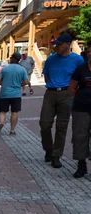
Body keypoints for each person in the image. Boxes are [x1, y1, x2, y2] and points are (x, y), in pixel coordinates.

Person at [39, 33, 85, 168]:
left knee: (61, 126)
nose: (56, 47)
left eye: (59, 44)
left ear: (67, 44)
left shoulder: (77, 60)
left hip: (67, 94)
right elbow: (46, 77)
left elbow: (79, 79)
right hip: (51, 93)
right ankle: (48, 149)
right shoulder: (51, 59)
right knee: (44, 124)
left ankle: (56, 155)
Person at [0, 52, 30, 136]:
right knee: (14, 112)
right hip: (16, 94)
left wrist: (4, 84)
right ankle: (12, 130)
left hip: (4, 93)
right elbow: (26, 81)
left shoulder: (5, 69)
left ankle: (1, 122)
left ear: (12, 59)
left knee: (2, 111)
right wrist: (20, 85)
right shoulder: (22, 69)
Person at [68, 46, 91, 178]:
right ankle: (81, 165)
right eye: (89, 52)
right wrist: (81, 96)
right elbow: (71, 87)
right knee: (80, 136)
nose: (90, 54)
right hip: (81, 108)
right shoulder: (81, 69)